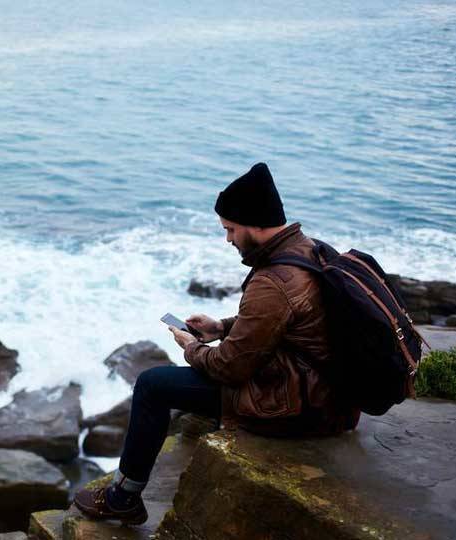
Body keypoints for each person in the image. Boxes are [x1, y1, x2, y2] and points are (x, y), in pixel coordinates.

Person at [73, 162, 360, 525]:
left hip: (295, 405)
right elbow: (283, 324)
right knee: (177, 383)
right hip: (327, 395)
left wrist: (189, 346)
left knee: (152, 385)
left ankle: (122, 498)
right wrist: (220, 327)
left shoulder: (274, 280)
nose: (228, 239)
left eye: (230, 229)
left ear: (255, 223)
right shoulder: (310, 250)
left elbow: (229, 367)